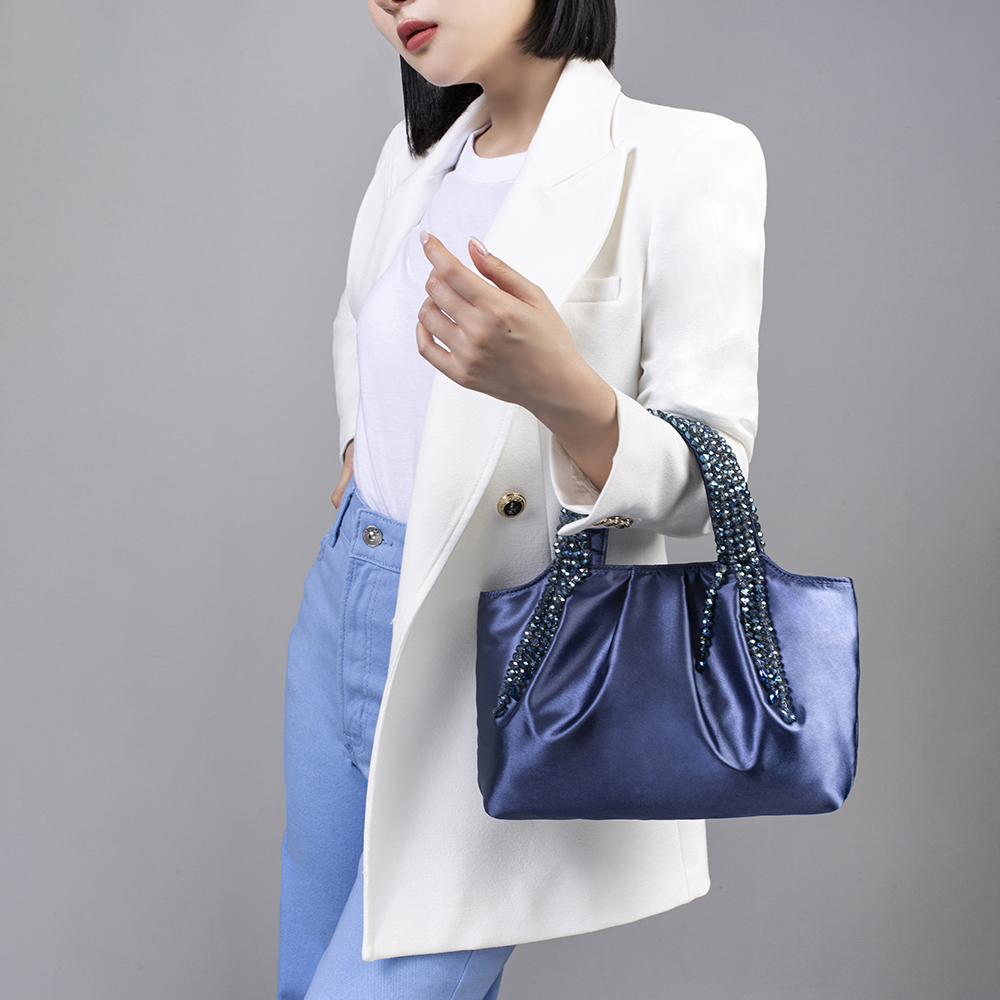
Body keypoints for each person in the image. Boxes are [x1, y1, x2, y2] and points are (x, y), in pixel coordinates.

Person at [278, 0, 766, 997]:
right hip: (343, 603)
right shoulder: (416, 157)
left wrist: (562, 387)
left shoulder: (685, 157)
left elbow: (710, 480)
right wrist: (363, 442)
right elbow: (360, 316)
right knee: (301, 977)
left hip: (501, 644)